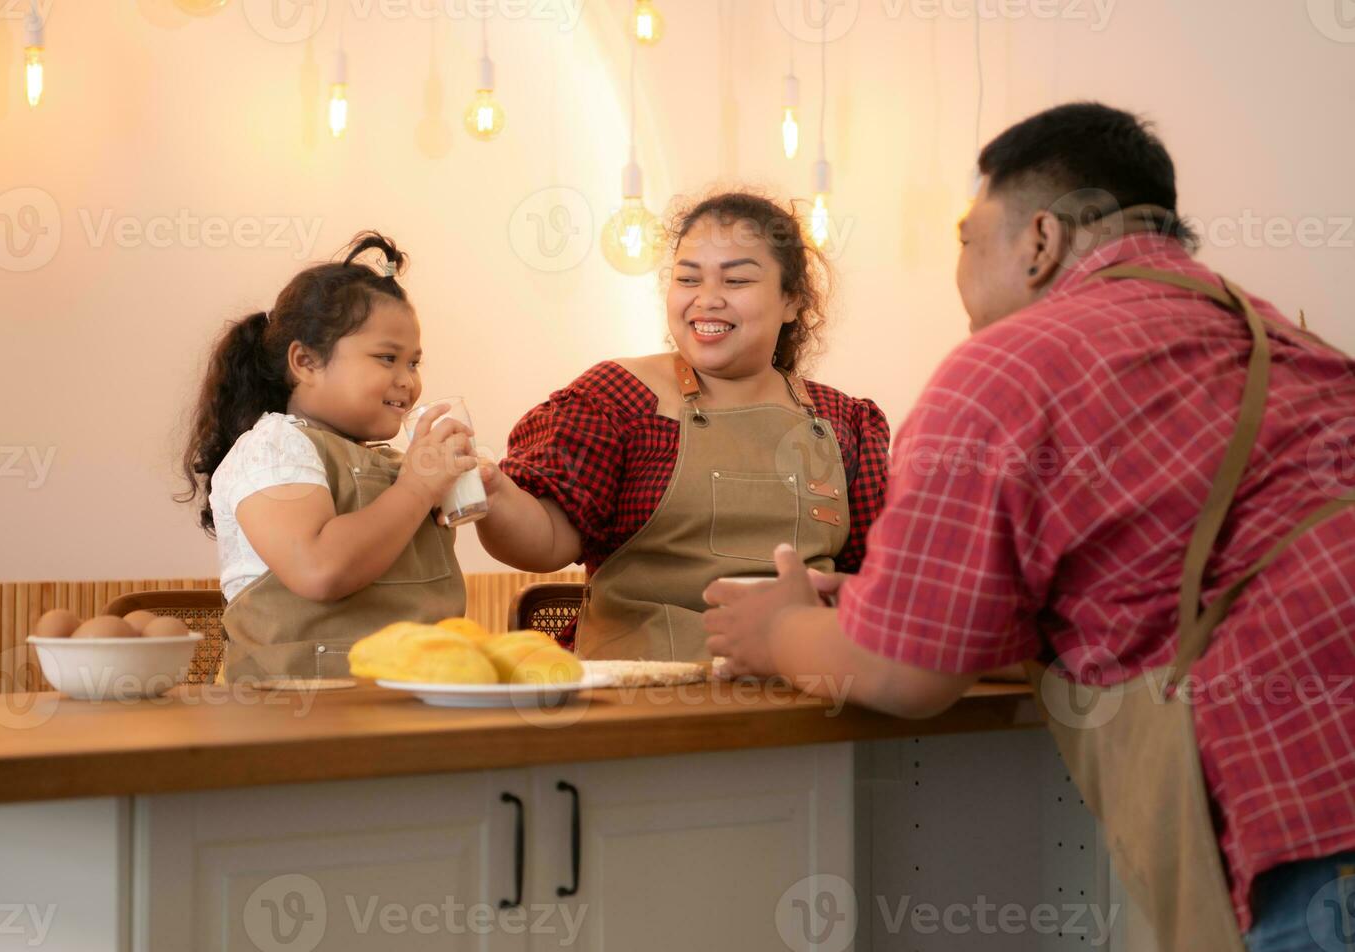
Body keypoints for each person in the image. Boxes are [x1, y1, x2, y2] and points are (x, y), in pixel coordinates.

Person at [704, 103, 1355, 952]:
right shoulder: (1283, 341)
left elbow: (907, 674)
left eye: (968, 240)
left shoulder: (1007, 368)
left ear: (1040, 238)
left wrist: (776, 630)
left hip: (1309, 823)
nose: (960, 272)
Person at [475, 191, 890, 661]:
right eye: (688, 278)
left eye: (736, 280)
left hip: (800, 690)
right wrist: (495, 494)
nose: (707, 299)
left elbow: (874, 581)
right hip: (641, 701)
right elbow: (545, 543)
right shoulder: (616, 398)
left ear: (792, 301)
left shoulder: (843, 421)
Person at [179, 232, 476, 681]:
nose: (407, 380)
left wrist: (475, 487)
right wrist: (417, 488)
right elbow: (318, 569)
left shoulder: (396, 465)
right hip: (292, 720)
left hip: (409, 708)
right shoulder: (274, 446)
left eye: (413, 363)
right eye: (386, 358)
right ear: (306, 362)